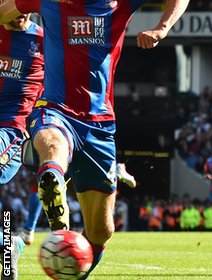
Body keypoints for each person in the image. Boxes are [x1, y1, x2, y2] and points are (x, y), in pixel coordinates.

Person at [0, 0, 190, 278]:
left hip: (99, 125)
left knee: (101, 231)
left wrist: (162, 28)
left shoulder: (118, 3)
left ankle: (50, 257)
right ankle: (53, 185)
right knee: (53, 145)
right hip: (55, 110)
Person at [0, 12, 43, 280]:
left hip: (12, 128)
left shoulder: (42, 40)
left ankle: (20, 236)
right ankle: (8, 247)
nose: (23, 11)